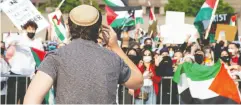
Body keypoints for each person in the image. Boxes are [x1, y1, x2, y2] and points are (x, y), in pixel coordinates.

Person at [24, 5, 143, 104]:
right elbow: (138, 81)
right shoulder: (113, 58)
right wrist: (116, 47)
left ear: (69, 28)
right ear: (99, 29)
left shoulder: (57, 57)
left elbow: (31, 100)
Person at [5, 20, 43, 104]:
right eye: (29, 29)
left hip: (29, 76)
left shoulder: (37, 42)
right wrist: (17, 37)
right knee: (12, 99)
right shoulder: (20, 38)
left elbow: (41, 57)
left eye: (33, 29)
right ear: (26, 29)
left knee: (25, 100)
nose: (31, 31)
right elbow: (8, 41)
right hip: (16, 74)